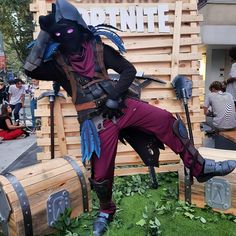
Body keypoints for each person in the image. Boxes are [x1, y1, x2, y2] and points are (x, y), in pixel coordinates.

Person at [24, 1, 236, 235]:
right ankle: (106, 210)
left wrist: (115, 96)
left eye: (70, 29)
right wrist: (45, 31)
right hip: (97, 122)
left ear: (79, 26)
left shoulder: (98, 48)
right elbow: (31, 68)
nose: (66, 36)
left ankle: (200, 167)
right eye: (59, 32)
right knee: (101, 174)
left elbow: (128, 70)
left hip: (123, 107)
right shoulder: (57, 63)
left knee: (168, 122)